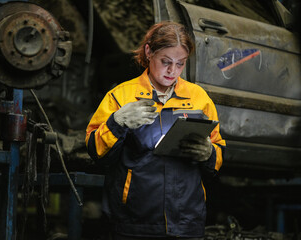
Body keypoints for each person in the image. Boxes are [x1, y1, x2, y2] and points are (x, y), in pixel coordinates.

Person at [85, 21, 226, 239]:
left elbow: (218, 153)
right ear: (148, 52)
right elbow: (96, 152)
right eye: (166, 62)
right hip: (134, 222)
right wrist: (116, 122)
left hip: (186, 222)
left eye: (180, 64)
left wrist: (209, 153)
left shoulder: (199, 98)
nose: (173, 71)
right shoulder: (121, 96)